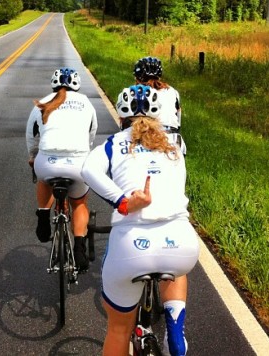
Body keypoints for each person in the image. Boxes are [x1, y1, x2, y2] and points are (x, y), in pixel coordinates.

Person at [81, 84, 199, 356]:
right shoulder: (175, 145)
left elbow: (87, 169)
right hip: (180, 242)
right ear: (158, 117)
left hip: (133, 245)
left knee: (119, 329)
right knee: (176, 272)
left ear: (121, 117)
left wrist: (122, 201)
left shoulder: (114, 143)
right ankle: (174, 326)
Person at [26, 67, 98, 270]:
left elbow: (32, 136)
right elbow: (91, 133)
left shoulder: (43, 102)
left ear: (53, 84)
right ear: (77, 84)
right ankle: (79, 248)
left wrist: (33, 157)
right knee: (79, 203)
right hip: (77, 162)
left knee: (42, 179)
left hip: (48, 160)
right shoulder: (86, 103)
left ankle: (42, 215)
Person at [133, 56, 185, 153]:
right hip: (174, 137)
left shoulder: (139, 93)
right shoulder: (172, 91)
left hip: (150, 136)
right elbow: (178, 116)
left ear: (138, 78)